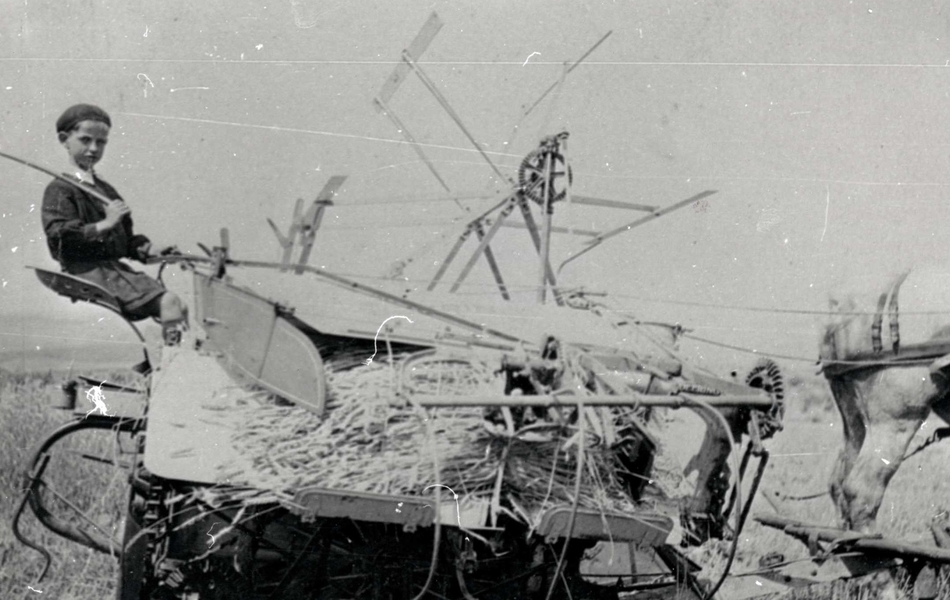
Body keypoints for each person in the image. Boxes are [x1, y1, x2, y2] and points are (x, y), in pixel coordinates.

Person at [41, 103, 187, 345]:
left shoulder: (106, 190)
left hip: (112, 269)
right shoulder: (60, 189)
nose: (93, 149)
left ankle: (173, 365)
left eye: (101, 142)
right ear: (64, 139)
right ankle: (175, 367)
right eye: (85, 140)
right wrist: (105, 224)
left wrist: (149, 249)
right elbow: (58, 237)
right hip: (88, 271)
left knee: (180, 307)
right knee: (169, 303)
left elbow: (125, 240)